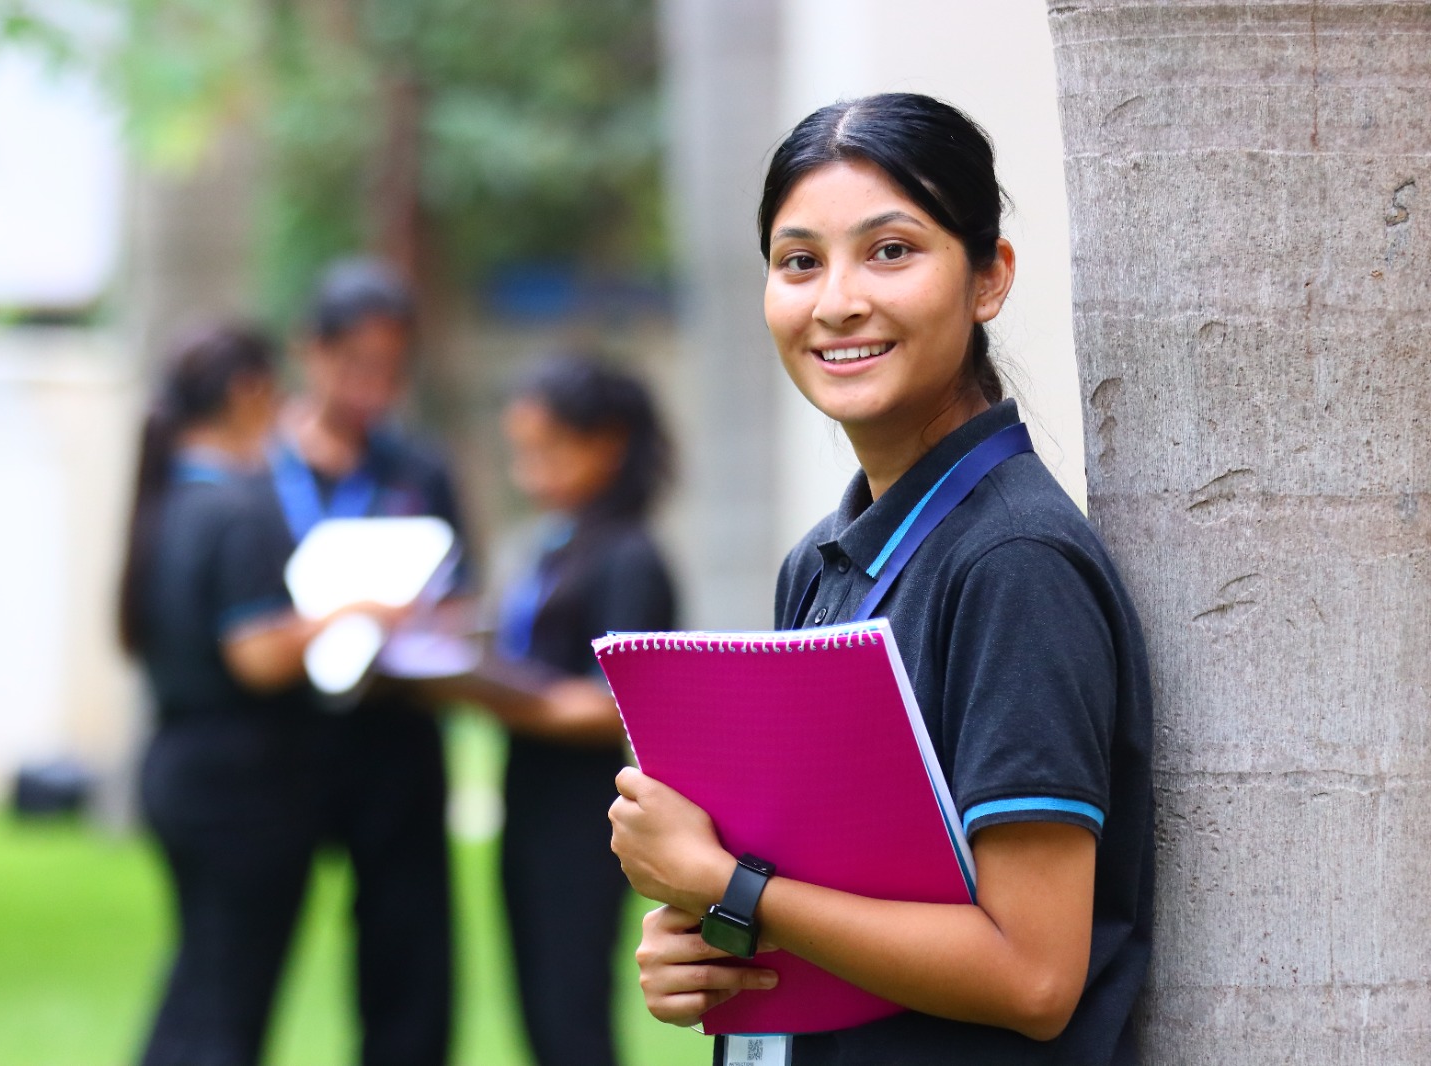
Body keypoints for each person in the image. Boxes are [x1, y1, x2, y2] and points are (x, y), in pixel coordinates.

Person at [607, 92, 1154, 1066]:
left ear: (988, 278)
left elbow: (1032, 974)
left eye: (890, 250)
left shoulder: (1011, 563)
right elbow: (829, 894)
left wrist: (733, 887)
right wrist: (710, 944)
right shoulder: (821, 558)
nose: (837, 301)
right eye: (799, 260)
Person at [120, 323, 388, 1066]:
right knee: (231, 1003)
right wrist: (348, 613)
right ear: (247, 393)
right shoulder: (236, 509)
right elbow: (256, 658)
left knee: (199, 980)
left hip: (181, 766)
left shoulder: (170, 499)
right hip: (243, 786)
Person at [274, 257, 468, 1066]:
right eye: (357, 364)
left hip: (396, 735)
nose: (373, 386)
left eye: (390, 368)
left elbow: (463, 598)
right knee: (245, 955)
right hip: (280, 740)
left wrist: (424, 629)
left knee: (408, 961)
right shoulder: (257, 471)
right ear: (310, 352)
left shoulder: (418, 472)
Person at [484, 355, 678, 1066]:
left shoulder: (631, 556)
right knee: (536, 1011)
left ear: (607, 443)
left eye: (548, 450)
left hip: (586, 813)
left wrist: (490, 690)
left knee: (572, 1016)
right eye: (522, 452)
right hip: (527, 799)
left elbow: (619, 707)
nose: (528, 472)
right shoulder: (553, 544)